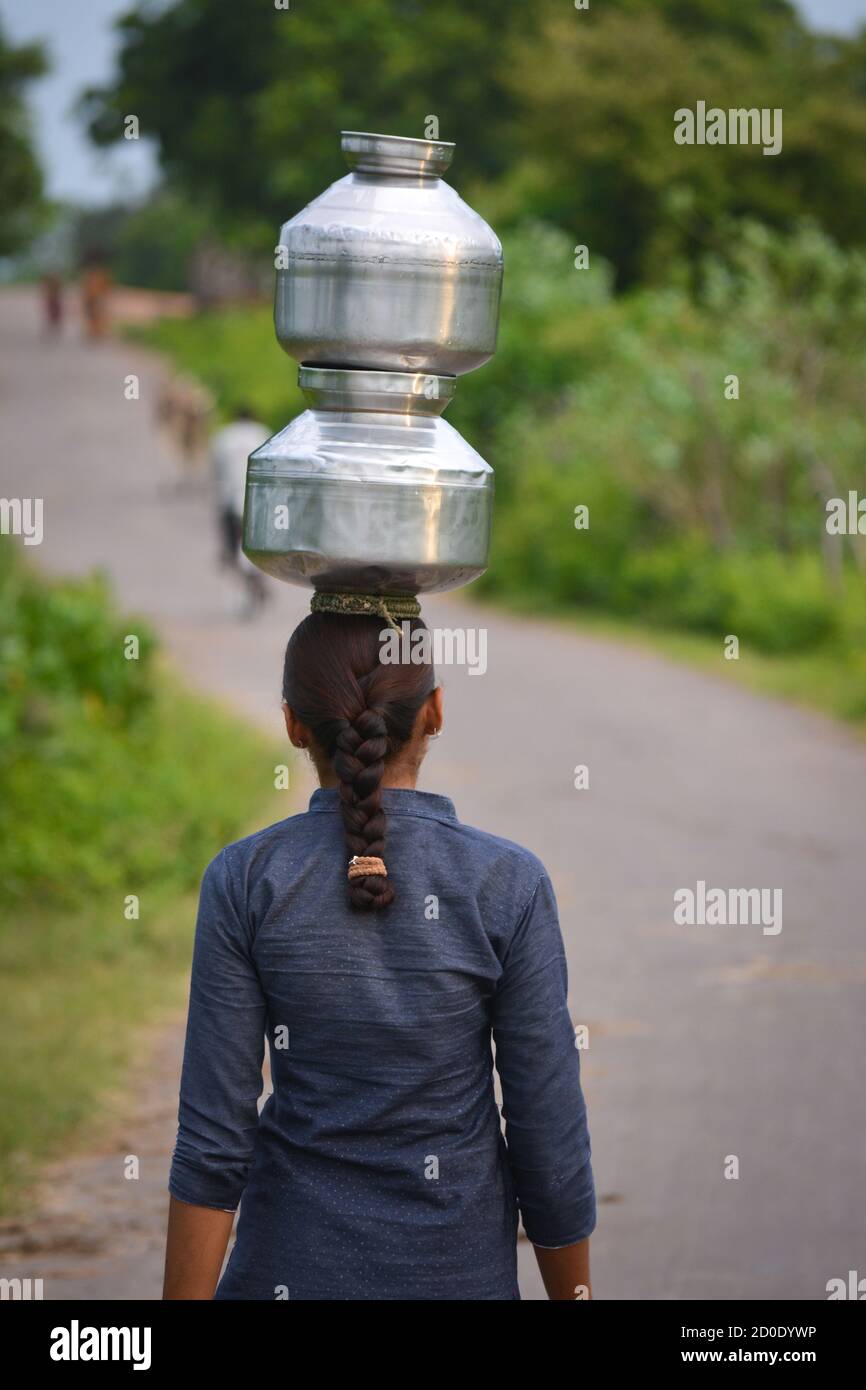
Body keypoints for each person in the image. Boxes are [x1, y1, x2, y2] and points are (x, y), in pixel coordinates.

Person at [163, 609, 596, 1300]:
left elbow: (213, 1144)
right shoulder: (507, 884)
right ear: (436, 712)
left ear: (294, 724)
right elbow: (548, 1139)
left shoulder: (245, 880)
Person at [209, 405, 270, 614]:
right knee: (253, 548)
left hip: (229, 500)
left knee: (232, 549)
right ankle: (255, 582)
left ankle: (251, 584)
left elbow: (216, 472)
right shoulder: (262, 434)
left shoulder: (222, 437)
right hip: (256, 502)